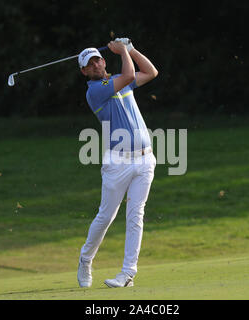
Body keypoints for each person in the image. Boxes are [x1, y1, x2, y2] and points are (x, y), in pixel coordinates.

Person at [77, 38, 158, 288]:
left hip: (145, 159)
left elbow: (151, 72)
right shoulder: (96, 90)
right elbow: (129, 73)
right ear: (84, 72)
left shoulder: (119, 81)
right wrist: (123, 50)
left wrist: (132, 48)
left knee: (136, 216)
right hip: (118, 163)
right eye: (89, 64)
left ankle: (127, 274)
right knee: (106, 217)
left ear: (103, 60)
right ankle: (85, 259)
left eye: (97, 59)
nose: (95, 64)